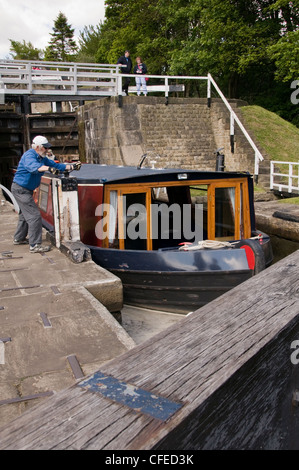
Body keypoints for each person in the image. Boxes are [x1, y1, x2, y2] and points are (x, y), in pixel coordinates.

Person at [11, 135, 80, 253]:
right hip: (21, 189)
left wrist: (72, 166)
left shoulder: (42, 158)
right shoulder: (29, 156)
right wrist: (49, 169)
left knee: (24, 215)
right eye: (45, 148)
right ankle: (35, 245)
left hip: (25, 189)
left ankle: (19, 238)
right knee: (34, 217)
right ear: (37, 147)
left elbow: (57, 165)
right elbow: (34, 168)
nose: (47, 150)